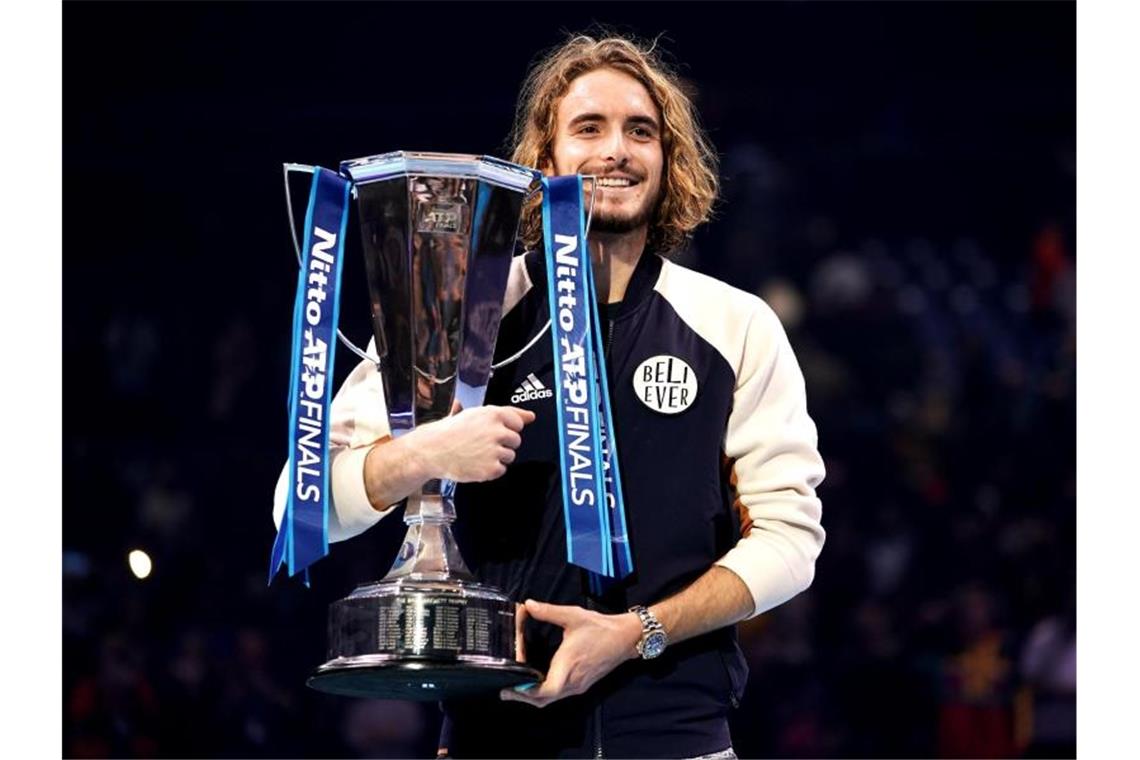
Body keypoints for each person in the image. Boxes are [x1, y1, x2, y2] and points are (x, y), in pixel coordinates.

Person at [274, 32, 825, 759]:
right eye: (588, 128)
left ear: (669, 158)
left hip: (676, 738)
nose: (616, 151)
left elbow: (791, 541)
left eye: (641, 131)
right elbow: (299, 503)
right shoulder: (466, 308)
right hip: (492, 735)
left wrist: (635, 633)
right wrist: (421, 453)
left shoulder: (734, 325)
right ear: (544, 160)